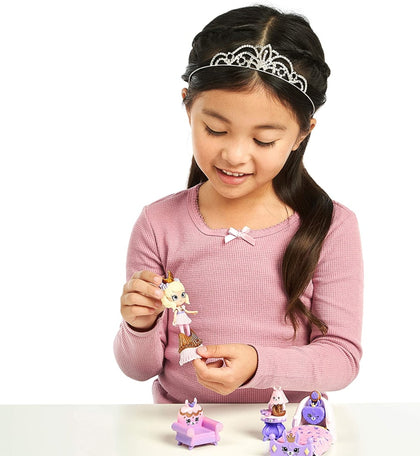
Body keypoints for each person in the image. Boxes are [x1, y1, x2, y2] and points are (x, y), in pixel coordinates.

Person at [114, 4, 363, 404]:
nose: (234, 155)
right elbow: (138, 368)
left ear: (302, 133)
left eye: (264, 140)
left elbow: (342, 359)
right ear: (188, 106)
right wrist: (139, 325)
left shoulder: (330, 225)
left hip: (286, 431)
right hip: (180, 428)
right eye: (215, 129)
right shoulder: (158, 223)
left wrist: (258, 364)